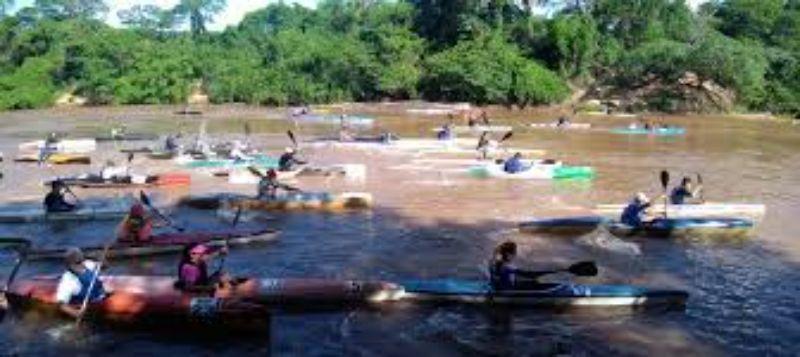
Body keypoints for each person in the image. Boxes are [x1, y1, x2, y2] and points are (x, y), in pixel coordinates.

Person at [55, 248, 108, 318]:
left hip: (102, 298)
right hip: (90, 305)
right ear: (69, 265)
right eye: (77, 263)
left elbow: (105, 266)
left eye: (80, 261)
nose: (81, 265)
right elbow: (61, 305)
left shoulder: (88, 264)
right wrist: (75, 313)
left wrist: (100, 258)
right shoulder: (68, 281)